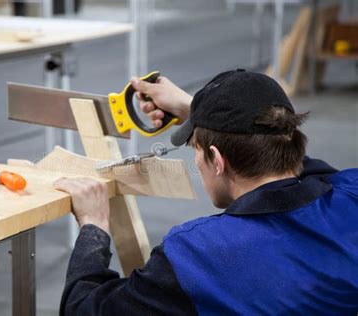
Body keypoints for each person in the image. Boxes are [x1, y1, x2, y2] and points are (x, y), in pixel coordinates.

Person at [53, 69, 358, 315]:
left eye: (196, 151)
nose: (196, 163)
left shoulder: (196, 257)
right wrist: (202, 111)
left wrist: (94, 227)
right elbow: (290, 161)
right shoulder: (350, 193)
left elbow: (82, 309)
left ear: (218, 160)